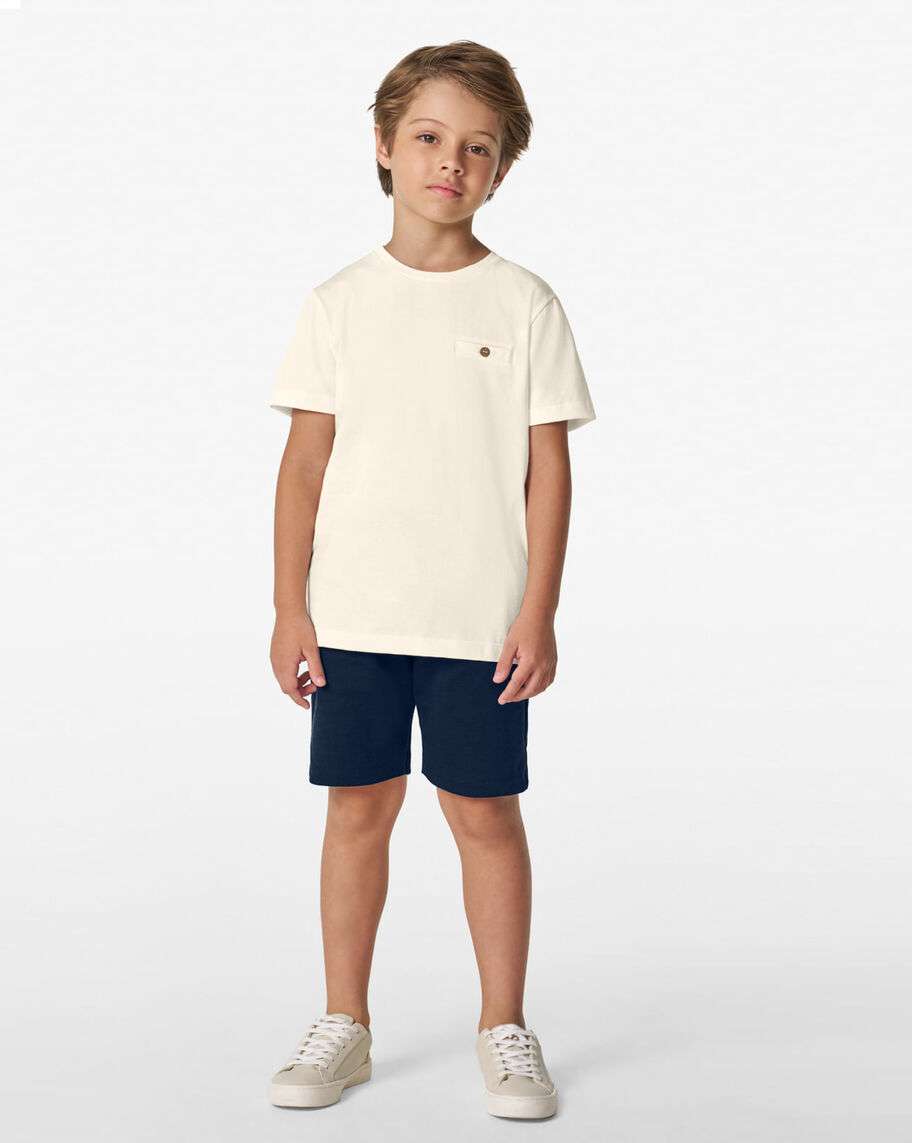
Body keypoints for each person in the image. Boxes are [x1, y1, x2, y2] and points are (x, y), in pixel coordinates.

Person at [265, 40, 596, 1120]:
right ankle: (344, 1023)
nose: (450, 162)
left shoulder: (525, 303)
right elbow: (304, 465)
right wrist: (289, 607)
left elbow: (548, 472)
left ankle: (504, 1024)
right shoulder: (338, 303)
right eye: (428, 137)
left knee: (485, 815)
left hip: (479, 623)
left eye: (477, 148)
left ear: (500, 169)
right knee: (357, 810)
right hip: (354, 615)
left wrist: (538, 609)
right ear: (383, 145)